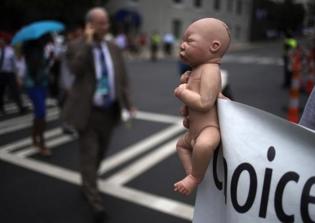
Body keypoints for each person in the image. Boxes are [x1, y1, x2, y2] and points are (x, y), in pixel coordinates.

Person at [62, 7, 135, 222]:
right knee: (89, 155)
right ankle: (95, 202)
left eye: (106, 23)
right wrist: (87, 43)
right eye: (102, 23)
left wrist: (128, 104)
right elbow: (75, 69)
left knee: (100, 154)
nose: (107, 26)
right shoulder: (76, 46)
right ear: (91, 25)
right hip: (88, 113)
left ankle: (88, 180)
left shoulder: (113, 47)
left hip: (110, 111)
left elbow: (122, 78)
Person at [173, 18, 231, 196]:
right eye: (183, 40)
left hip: (208, 128)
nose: (182, 45)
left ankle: (195, 178)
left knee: (204, 146)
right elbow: (194, 101)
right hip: (194, 130)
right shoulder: (198, 69)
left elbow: (205, 103)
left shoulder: (210, 71)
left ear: (213, 47)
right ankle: (192, 173)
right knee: (181, 146)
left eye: (189, 41)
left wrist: (183, 92)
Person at [21, 35, 52, 156]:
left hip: (41, 86)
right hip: (35, 86)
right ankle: (42, 143)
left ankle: (34, 137)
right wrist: (43, 64)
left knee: (39, 114)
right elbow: (35, 70)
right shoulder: (33, 53)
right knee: (42, 114)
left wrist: (47, 61)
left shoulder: (39, 51)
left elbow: (41, 68)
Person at [0, 38, 27, 115]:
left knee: (15, 91)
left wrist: (17, 76)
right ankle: (1, 108)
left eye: (1, 43)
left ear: (4, 43)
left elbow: (14, 65)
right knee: (0, 92)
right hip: (1, 74)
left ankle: (21, 107)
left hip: (10, 73)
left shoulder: (10, 51)